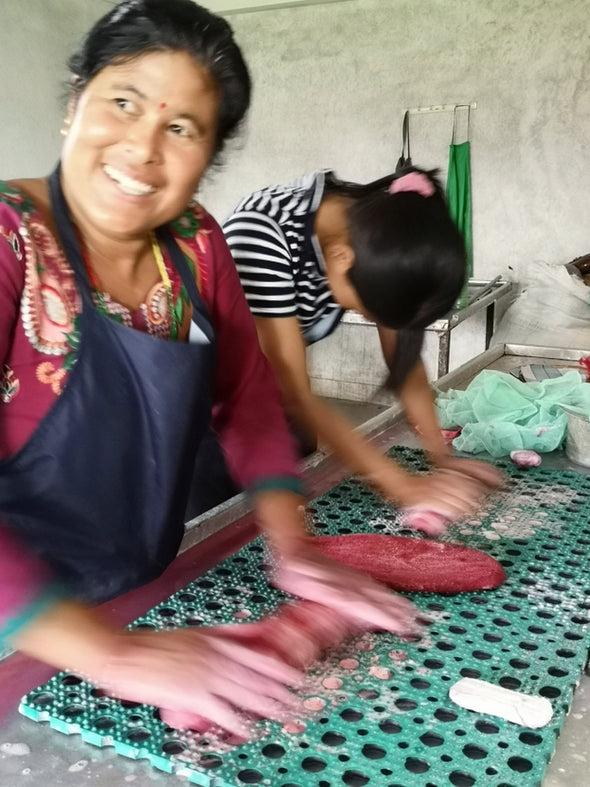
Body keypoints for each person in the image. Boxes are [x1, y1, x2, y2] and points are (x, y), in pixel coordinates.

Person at [0, 0, 422, 737]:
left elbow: (247, 398)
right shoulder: (12, 241)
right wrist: (104, 652)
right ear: (75, 105)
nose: (141, 149)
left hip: (137, 592)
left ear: (210, 153)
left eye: (181, 128)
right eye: (122, 103)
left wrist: (292, 544)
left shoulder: (195, 245)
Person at [223, 169, 504, 518]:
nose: (374, 321)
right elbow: (290, 390)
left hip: (275, 420)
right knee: (224, 528)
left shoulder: (377, 240)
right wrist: (402, 485)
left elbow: (405, 364)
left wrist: (442, 461)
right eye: (371, 313)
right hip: (207, 424)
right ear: (340, 258)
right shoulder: (262, 233)